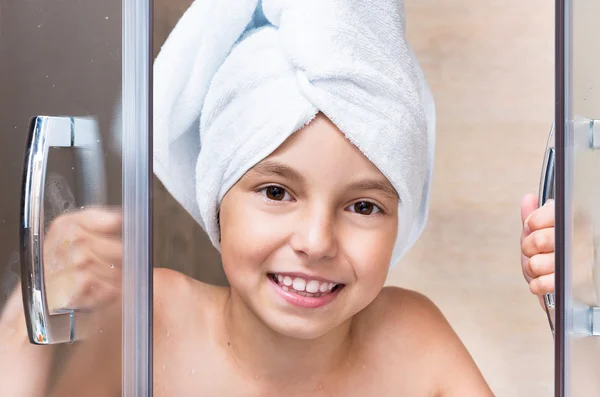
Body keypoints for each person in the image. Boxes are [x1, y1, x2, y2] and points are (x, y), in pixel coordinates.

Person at [0, 0, 497, 396]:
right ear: (218, 200)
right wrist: (33, 309)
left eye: (363, 206)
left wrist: (571, 287)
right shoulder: (150, 321)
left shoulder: (412, 343)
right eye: (277, 192)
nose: (316, 241)